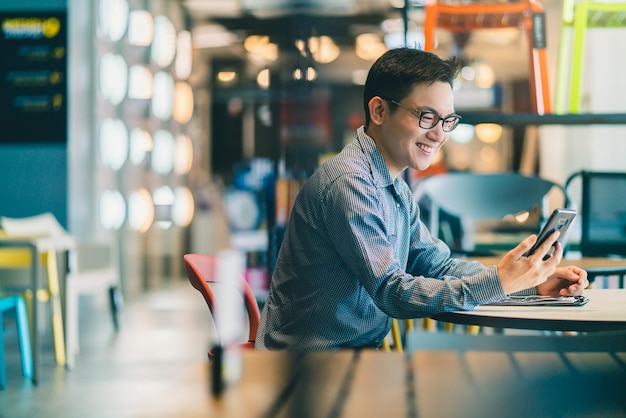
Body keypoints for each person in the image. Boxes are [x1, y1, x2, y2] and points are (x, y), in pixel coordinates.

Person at [255, 47, 588, 351]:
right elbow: (392, 292)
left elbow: (438, 265)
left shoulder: (393, 184)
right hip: (309, 368)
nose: (439, 134)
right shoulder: (350, 184)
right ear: (379, 111)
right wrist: (499, 281)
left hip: (356, 358)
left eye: (447, 121)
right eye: (427, 117)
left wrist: (530, 283)